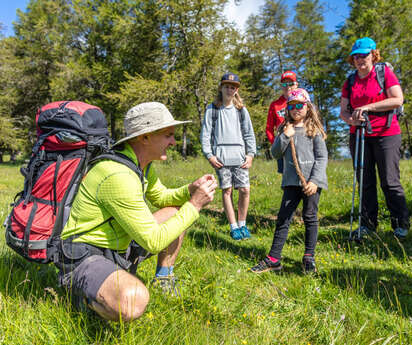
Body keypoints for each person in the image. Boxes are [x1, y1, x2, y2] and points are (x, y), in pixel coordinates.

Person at [56, 102, 218, 321]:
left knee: (174, 213)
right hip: (84, 255)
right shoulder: (117, 175)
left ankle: (163, 278)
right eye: (168, 135)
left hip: (116, 248)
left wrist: (191, 189)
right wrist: (195, 204)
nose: (173, 141)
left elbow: (161, 197)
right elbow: (153, 241)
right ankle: (83, 298)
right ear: (145, 137)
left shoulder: (140, 165)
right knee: (133, 301)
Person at [339, 37, 410, 239]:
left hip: (386, 134)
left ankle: (400, 223)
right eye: (356, 56)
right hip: (359, 134)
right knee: (365, 181)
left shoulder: (384, 73)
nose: (360, 59)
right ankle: (368, 225)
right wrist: (351, 121)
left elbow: (397, 99)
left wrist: (368, 107)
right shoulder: (350, 81)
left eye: (364, 55)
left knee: (389, 180)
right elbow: (343, 111)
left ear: (373, 55)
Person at [251, 88, 328, 274]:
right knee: (283, 218)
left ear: (308, 107)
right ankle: (274, 259)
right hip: (291, 182)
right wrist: (285, 135)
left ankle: (309, 257)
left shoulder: (314, 131)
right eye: (291, 106)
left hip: (311, 183)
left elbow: (322, 157)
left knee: (310, 217)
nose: (296, 109)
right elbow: (275, 152)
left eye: (300, 105)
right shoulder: (284, 130)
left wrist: (315, 180)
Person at [200, 73, 257, 240]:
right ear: (221, 88)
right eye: (227, 86)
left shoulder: (241, 110)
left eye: (233, 87)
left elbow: (249, 134)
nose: (230, 89)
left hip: (240, 157)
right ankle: (233, 227)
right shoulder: (212, 109)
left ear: (236, 89)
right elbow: (205, 134)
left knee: (245, 190)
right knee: (227, 190)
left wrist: (251, 154)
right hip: (221, 158)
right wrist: (209, 155)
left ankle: (243, 224)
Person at [266, 71, 298, 173]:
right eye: (284, 84)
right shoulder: (275, 105)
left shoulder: (303, 101)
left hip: (300, 143)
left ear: (296, 85)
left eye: (290, 84)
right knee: (286, 176)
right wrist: (275, 143)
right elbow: (269, 128)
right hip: (283, 145)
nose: (287, 87)